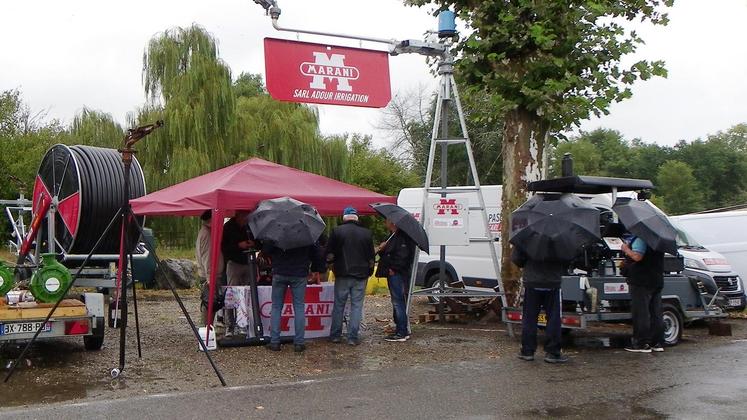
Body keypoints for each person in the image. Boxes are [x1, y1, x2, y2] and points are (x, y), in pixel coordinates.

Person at [326, 206, 375, 346]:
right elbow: (371, 256)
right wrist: (369, 271)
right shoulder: (366, 233)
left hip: (342, 273)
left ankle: (335, 335)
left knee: (339, 305)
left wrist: (330, 265)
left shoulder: (337, 232)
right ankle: (352, 337)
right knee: (356, 306)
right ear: (356, 217)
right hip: (361, 275)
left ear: (344, 217)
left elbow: (330, 254)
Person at [265, 241, 325, 352]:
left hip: (280, 271)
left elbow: (267, 249)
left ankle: (274, 341)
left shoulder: (277, 231)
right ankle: (299, 342)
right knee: (299, 307)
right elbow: (317, 253)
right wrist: (316, 269)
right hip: (299, 273)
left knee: (276, 307)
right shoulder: (305, 233)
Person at [511, 247, 569, 363]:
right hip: (553, 281)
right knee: (553, 317)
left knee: (529, 318)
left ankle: (527, 351)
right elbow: (567, 258)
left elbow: (517, 258)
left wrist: (527, 264)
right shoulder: (560, 239)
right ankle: (552, 352)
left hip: (532, 281)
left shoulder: (527, 238)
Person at [621, 235, 665, 353]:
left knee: (641, 312)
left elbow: (637, 256)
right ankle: (657, 342)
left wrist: (626, 249)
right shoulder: (659, 239)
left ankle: (641, 343)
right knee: (656, 312)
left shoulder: (641, 238)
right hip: (656, 279)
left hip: (641, 281)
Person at [375, 218, 416, 342]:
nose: (385, 222)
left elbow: (403, 256)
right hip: (394, 272)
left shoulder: (401, 237)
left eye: (386, 220)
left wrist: (393, 268)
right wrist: (383, 249)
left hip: (397, 274)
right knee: (397, 302)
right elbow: (391, 253)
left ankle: (401, 332)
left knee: (398, 302)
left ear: (392, 223)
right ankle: (401, 328)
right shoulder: (393, 236)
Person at [220, 210, 255, 337]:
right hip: (233, 263)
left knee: (246, 294)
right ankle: (229, 325)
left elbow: (260, 242)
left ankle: (243, 324)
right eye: (244, 216)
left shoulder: (250, 227)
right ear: (238, 215)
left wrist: (254, 244)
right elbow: (223, 247)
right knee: (231, 293)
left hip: (248, 262)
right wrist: (238, 246)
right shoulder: (228, 227)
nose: (246, 218)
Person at [196, 210, 224, 326]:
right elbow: (208, 257)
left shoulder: (205, 232)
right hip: (210, 275)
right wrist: (210, 277)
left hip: (209, 274)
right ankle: (206, 330)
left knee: (210, 304)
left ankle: (207, 329)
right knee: (209, 304)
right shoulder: (207, 234)